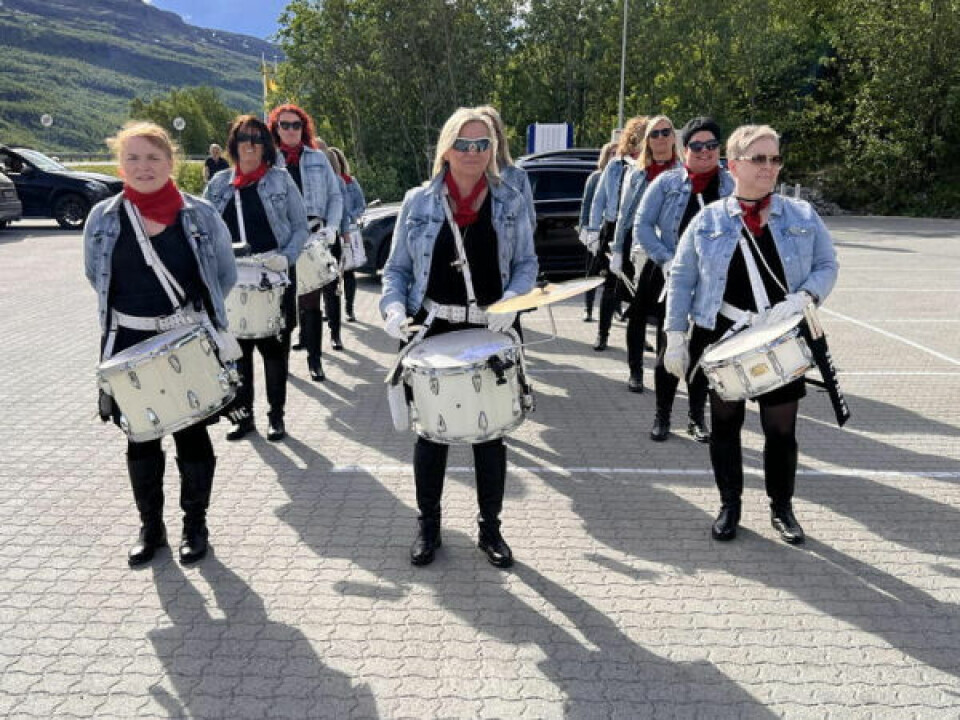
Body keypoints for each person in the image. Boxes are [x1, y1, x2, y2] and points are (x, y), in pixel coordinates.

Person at [664, 124, 838, 544]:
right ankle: (730, 506)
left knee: (781, 430)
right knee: (725, 425)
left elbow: (827, 264)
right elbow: (682, 279)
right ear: (734, 165)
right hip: (724, 333)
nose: (769, 167)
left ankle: (782, 508)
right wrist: (675, 335)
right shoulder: (708, 220)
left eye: (775, 158)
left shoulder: (801, 215)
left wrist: (806, 297)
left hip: (781, 333)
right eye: (758, 158)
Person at [380, 107, 538, 569]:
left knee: (490, 436)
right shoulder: (418, 202)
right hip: (432, 327)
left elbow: (527, 263)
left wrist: (513, 300)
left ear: (493, 149)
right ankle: (428, 526)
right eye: (464, 144)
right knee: (432, 436)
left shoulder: (510, 199)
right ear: (446, 149)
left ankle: (491, 529)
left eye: (482, 144)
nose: (473, 152)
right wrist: (392, 309)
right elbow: (396, 269)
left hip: (491, 328)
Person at [83, 121, 237, 566]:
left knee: (192, 434)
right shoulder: (103, 218)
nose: (143, 166)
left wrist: (186, 319)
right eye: (132, 158)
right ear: (120, 165)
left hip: (184, 338)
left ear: (171, 162)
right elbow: (96, 275)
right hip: (129, 340)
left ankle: (195, 525)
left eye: (153, 157)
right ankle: (151, 527)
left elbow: (223, 275)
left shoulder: (200, 214)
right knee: (141, 438)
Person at [203, 114, 309, 442]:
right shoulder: (218, 184)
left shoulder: (281, 181)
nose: (250, 145)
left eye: (257, 138)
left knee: (275, 352)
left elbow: (300, 227)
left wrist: (286, 258)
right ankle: (244, 416)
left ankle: (276, 416)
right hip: (233, 277)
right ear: (233, 144)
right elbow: (201, 231)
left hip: (272, 272)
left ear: (266, 145)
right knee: (238, 352)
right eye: (244, 138)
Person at [634, 116, 734, 443]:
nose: (705, 151)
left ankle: (696, 418)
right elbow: (642, 225)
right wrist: (665, 258)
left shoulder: (732, 184)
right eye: (697, 145)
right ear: (685, 148)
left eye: (711, 145)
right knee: (670, 350)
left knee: (704, 352)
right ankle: (662, 415)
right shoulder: (667, 183)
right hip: (672, 277)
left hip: (715, 282)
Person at [267, 104, 344, 381]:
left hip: (312, 236)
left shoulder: (318, 159)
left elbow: (335, 195)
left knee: (311, 303)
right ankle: (282, 363)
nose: (290, 130)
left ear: (304, 128)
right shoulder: (268, 162)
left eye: (296, 125)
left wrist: (332, 226)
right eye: (284, 125)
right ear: (275, 129)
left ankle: (315, 361)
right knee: (282, 307)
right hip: (280, 241)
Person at [609, 116, 681, 392]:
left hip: (674, 254)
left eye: (666, 132)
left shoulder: (684, 172)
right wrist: (618, 250)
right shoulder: (637, 174)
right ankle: (635, 371)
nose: (661, 138)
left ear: (674, 137)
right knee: (638, 313)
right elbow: (624, 214)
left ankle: (665, 375)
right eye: (655, 134)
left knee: (668, 317)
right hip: (643, 252)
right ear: (647, 140)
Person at [586, 115, 647, 351]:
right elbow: (599, 199)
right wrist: (593, 230)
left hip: (640, 230)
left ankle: (639, 336)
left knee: (639, 287)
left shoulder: (649, 166)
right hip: (613, 228)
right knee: (610, 285)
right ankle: (602, 334)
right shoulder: (615, 166)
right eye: (639, 136)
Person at [476, 105, 536, 232]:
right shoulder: (463, 177)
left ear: (500, 137)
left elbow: (529, 225)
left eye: (493, 132)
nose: (489, 139)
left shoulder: (517, 178)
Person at [578, 142, 616, 322]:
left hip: (612, 232)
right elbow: (587, 204)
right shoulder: (596, 177)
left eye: (618, 153)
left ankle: (615, 309)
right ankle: (588, 308)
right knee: (592, 272)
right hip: (595, 230)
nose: (615, 156)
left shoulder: (622, 176)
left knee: (613, 273)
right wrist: (584, 228)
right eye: (612, 153)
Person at [328, 146, 366, 322]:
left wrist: (349, 216)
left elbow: (361, 205)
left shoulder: (351, 182)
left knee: (349, 272)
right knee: (329, 274)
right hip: (330, 233)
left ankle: (349, 309)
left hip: (348, 231)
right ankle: (330, 311)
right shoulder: (326, 184)